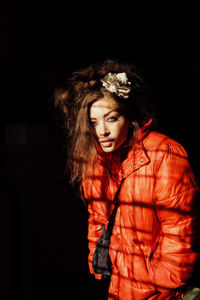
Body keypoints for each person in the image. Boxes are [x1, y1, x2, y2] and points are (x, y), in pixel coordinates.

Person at [54, 58, 200, 299]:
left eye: (111, 118)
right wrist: (100, 262)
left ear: (129, 116)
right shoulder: (95, 157)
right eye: (93, 122)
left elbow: (181, 231)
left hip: (159, 292)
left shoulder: (164, 154)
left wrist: (159, 281)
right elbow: (98, 217)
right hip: (119, 287)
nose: (102, 131)